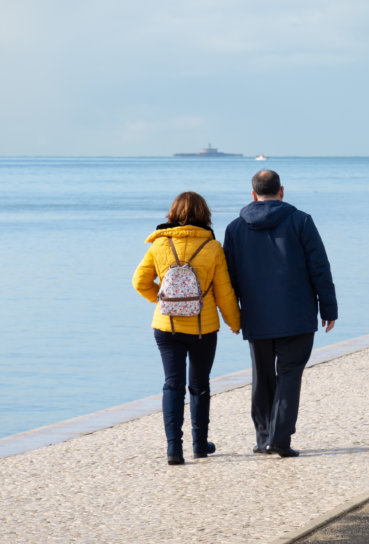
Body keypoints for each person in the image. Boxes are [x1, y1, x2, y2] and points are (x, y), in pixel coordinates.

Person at [224, 170, 337, 457]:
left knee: (262, 377)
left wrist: (232, 316)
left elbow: (229, 279)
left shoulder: (235, 228)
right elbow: (319, 268)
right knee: (289, 376)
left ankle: (264, 439)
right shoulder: (301, 221)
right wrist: (329, 308)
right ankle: (280, 438)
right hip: (297, 315)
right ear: (281, 191)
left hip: (256, 316)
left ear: (253, 194)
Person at [133, 191, 241, 465]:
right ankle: (200, 445)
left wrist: (161, 299)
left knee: (172, 385)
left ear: (173, 214)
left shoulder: (159, 245)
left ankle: (173, 450)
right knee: (199, 385)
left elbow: (139, 281)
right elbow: (224, 291)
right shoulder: (212, 248)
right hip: (203, 327)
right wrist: (234, 322)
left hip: (166, 325)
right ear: (205, 215)